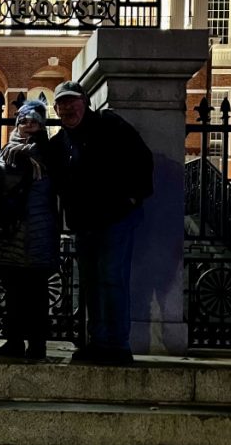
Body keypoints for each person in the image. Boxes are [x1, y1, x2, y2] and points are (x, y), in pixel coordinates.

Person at [49, 80, 153, 365]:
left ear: (85, 102)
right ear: (56, 109)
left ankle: (117, 344)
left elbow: (142, 159)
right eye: (62, 103)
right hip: (85, 223)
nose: (68, 108)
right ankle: (98, 341)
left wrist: (133, 198)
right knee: (92, 283)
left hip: (115, 218)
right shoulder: (59, 144)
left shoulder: (109, 126)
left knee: (111, 278)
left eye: (73, 101)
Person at [0, 100, 60, 360]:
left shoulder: (50, 154)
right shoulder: (5, 153)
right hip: (10, 233)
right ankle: (14, 341)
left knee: (38, 293)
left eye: (35, 122)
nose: (29, 126)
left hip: (38, 232)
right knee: (14, 292)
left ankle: (37, 344)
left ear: (42, 125)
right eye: (24, 121)